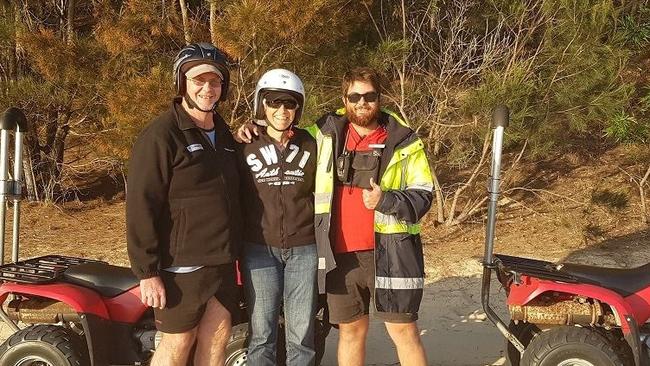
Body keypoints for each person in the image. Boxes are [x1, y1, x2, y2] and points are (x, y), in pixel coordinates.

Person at [238, 66, 433, 366]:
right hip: (339, 257)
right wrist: (251, 127)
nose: (362, 102)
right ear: (345, 98)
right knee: (351, 332)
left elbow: (423, 194)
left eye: (369, 96)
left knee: (404, 331)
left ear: (380, 98)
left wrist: (387, 200)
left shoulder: (404, 141)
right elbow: (280, 129)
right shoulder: (325, 132)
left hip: (391, 254)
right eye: (354, 96)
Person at [127, 42, 242, 366]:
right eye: (199, 81)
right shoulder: (162, 135)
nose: (208, 88)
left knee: (217, 338)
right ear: (182, 83)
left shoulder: (224, 134)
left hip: (222, 263)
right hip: (181, 267)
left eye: (215, 81)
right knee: (178, 345)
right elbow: (141, 204)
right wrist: (147, 271)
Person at [238, 69, 318, 366]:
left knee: (301, 336)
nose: (282, 111)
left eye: (290, 103)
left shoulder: (312, 143)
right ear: (262, 104)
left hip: (304, 249)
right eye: (274, 102)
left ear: (298, 108)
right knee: (262, 335)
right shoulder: (244, 143)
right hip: (258, 249)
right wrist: (244, 127)